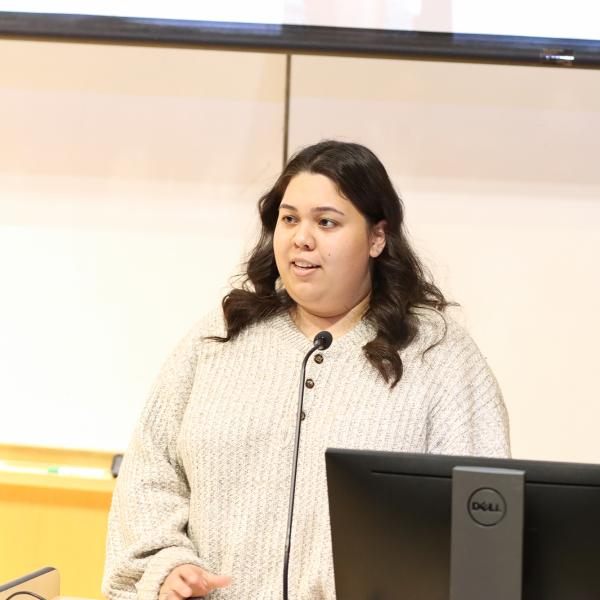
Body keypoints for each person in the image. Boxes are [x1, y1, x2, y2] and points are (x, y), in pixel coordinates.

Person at [102, 140, 510, 600]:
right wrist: (170, 564)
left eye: (327, 222)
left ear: (378, 237)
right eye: (289, 218)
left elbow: (482, 517)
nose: (301, 238)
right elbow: (150, 474)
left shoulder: (438, 355)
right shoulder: (220, 335)